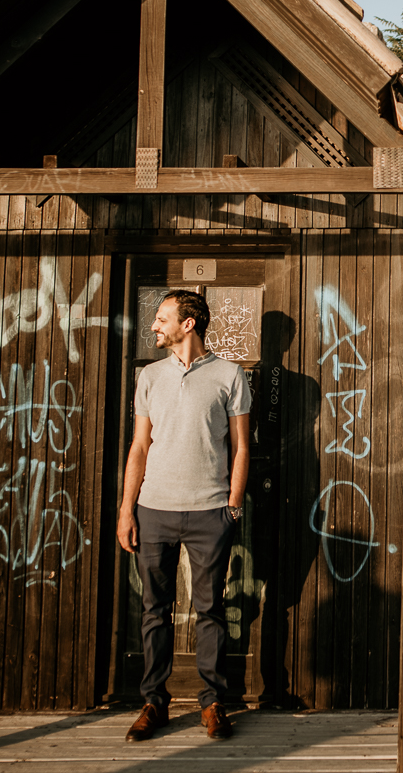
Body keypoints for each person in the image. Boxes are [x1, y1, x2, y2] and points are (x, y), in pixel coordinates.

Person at [118, 290, 250, 742]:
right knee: (154, 611)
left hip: (210, 510)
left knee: (210, 610)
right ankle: (154, 701)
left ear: (188, 323)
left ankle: (213, 703)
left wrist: (232, 504)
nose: (154, 325)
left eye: (162, 318)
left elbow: (241, 447)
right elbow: (139, 446)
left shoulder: (230, 375)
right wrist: (126, 509)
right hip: (154, 509)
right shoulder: (150, 377)